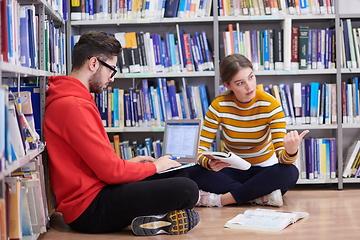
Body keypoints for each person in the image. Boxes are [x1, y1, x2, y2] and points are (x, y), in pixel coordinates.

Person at [43, 31, 200, 235]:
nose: (112, 78)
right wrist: (152, 167)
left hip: (99, 190)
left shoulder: (74, 99)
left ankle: (150, 219)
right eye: (111, 70)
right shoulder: (73, 106)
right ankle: (156, 220)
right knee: (187, 189)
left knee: (178, 172)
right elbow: (110, 172)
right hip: (89, 209)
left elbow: (100, 165)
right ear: (93, 63)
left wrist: (133, 165)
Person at [189, 53, 309, 207]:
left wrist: (291, 152)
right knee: (191, 171)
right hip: (231, 171)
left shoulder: (271, 105)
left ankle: (220, 200)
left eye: (251, 77)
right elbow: (199, 149)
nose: (249, 86)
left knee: (290, 172)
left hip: (264, 171)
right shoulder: (219, 106)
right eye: (240, 83)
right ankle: (258, 196)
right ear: (227, 85)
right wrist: (208, 163)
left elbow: (283, 159)